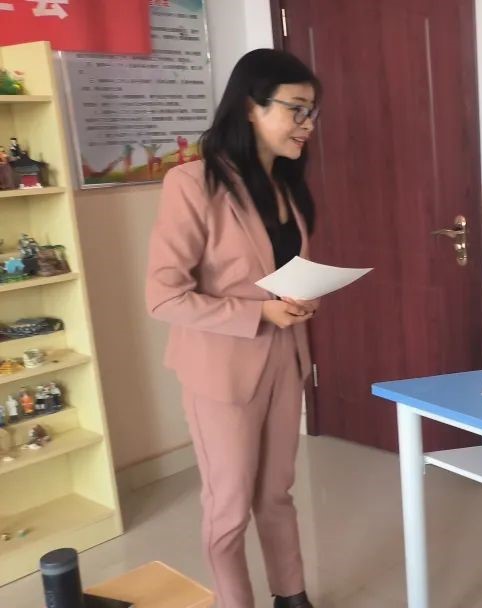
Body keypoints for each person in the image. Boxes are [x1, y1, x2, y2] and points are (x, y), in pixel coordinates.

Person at [145, 49, 323, 608]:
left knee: (276, 493)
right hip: (221, 370)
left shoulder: (287, 186)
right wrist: (259, 313)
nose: (307, 124)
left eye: (312, 112)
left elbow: (275, 274)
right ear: (250, 107)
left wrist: (301, 299)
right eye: (296, 109)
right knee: (228, 507)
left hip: (285, 360)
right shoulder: (193, 183)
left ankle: (291, 596)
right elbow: (163, 297)